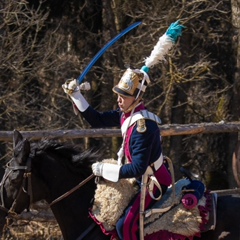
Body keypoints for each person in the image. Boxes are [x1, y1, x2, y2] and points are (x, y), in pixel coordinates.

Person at [62, 20, 185, 240]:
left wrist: (102, 169)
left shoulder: (143, 126)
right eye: (119, 95)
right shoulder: (125, 115)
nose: (119, 100)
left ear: (136, 98)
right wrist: (76, 96)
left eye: (123, 96)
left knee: (124, 227)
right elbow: (96, 119)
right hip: (138, 180)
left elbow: (138, 168)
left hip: (153, 183)